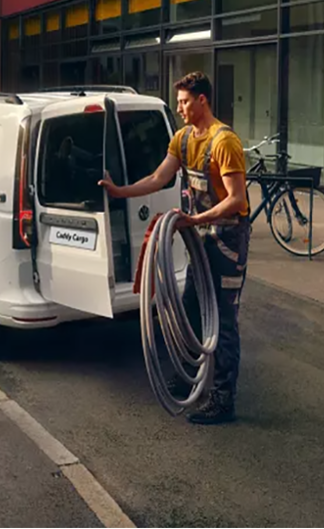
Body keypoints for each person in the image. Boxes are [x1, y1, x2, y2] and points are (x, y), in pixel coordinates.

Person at [99, 71, 249, 425]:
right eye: (178, 102)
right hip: (201, 237)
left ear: (202, 100)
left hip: (227, 240)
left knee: (223, 322)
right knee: (189, 306)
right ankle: (189, 380)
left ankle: (223, 399)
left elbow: (237, 199)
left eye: (184, 102)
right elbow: (157, 178)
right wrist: (119, 191)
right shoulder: (182, 140)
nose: (179, 108)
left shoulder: (224, 142)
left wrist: (197, 221)